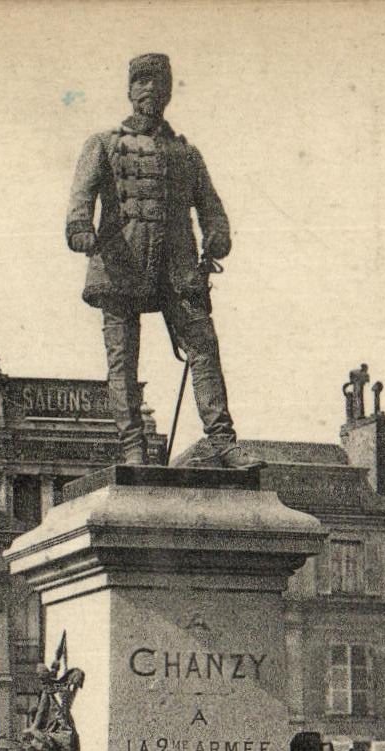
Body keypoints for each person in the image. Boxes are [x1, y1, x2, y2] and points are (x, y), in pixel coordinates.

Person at [66, 53, 254, 469]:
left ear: (168, 92)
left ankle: (224, 441)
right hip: (120, 264)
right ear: (130, 91)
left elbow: (212, 208)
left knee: (204, 348)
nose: (150, 90)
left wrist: (218, 235)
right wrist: (80, 229)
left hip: (178, 266)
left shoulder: (186, 154)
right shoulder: (103, 144)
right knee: (123, 361)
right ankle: (133, 448)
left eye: (158, 83)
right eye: (142, 82)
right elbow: (80, 200)